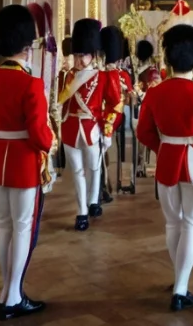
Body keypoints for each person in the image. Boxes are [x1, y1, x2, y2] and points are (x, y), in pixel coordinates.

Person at [136, 24, 193, 312]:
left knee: (173, 223)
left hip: (167, 161)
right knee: (192, 223)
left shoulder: (155, 93)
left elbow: (143, 132)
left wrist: (162, 148)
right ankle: (181, 288)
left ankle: (179, 280)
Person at [0, 5, 55, 321]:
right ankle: (12, 297)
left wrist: (0, 144)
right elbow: (39, 133)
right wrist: (50, 143)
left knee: (4, 226)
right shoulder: (31, 84)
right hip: (23, 164)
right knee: (22, 228)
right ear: (27, 46)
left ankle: (8, 291)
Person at [57, 19, 122, 230]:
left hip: (91, 129)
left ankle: (94, 200)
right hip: (70, 128)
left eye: (82, 55)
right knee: (76, 171)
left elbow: (114, 104)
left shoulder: (103, 77)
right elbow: (58, 99)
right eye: (76, 55)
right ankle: (81, 211)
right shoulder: (66, 77)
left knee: (94, 167)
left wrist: (108, 129)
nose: (78, 59)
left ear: (93, 55)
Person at [101, 25, 131, 201]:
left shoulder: (120, 75)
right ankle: (103, 184)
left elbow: (124, 99)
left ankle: (108, 183)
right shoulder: (100, 73)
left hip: (111, 118)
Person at [134, 39, 162, 176]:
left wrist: (139, 93)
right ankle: (140, 165)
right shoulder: (141, 71)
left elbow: (155, 95)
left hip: (148, 109)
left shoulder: (152, 72)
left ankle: (144, 165)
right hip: (139, 107)